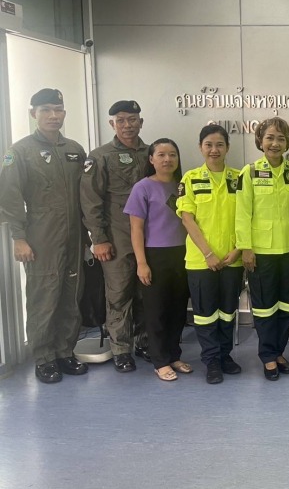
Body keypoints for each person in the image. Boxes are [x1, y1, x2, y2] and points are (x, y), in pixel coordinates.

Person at [0, 88, 87, 383]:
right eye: (46, 109)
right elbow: (10, 197)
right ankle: (44, 358)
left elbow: (86, 196)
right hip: (41, 235)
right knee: (43, 297)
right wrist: (19, 237)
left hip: (75, 236)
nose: (53, 115)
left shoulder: (74, 149)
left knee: (71, 295)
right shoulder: (19, 151)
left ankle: (64, 352)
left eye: (58, 110)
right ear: (33, 113)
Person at [81, 100, 150, 373]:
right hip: (117, 236)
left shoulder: (153, 152)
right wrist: (98, 238)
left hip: (150, 235)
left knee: (147, 290)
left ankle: (144, 341)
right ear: (112, 124)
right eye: (120, 120)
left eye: (132, 119)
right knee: (119, 292)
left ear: (140, 122)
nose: (127, 125)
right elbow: (90, 200)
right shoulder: (100, 156)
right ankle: (121, 349)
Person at [176, 124, 243, 384]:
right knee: (205, 314)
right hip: (201, 260)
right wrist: (208, 253)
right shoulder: (190, 179)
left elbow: (247, 217)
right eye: (208, 145)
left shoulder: (239, 178)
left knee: (228, 312)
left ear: (227, 148)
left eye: (219, 145)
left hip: (232, 259)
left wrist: (238, 249)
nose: (214, 150)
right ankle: (212, 359)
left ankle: (226, 355)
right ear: (201, 148)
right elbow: (187, 219)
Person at [236, 118, 289, 381]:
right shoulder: (249, 172)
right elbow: (242, 214)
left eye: (281, 139)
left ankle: (278, 351)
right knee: (264, 308)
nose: (275, 143)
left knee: (287, 307)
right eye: (270, 138)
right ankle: (267, 356)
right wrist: (245, 248)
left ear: (287, 143)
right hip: (260, 252)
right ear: (260, 141)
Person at [124, 139, 191, 382]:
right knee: (156, 311)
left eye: (172, 154)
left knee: (177, 309)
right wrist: (142, 263)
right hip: (154, 254)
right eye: (161, 154)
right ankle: (160, 360)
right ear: (151, 159)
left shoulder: (183, 185)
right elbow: (136, 230)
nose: (167, 159)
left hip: (183, 254)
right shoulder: (142, 188)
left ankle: (174, 355)